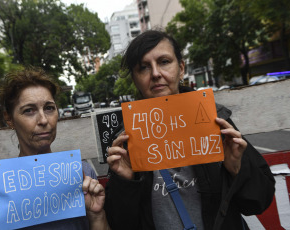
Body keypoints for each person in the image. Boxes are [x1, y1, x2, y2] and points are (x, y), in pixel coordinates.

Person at [104, 30, 275, 230]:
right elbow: (119, 224)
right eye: (143, 67)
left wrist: (237, 169)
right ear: (135, 79)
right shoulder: (125, 139)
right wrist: (125, 183)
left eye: (164, 61)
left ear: (181, 68)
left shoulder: (215, 121)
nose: (156, 73)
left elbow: (259, 201)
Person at [0, 68, 110, 230]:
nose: (43, 120)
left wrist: (97, 216)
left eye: (49, 108)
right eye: (29, 110)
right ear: (9, 118)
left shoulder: (83, 175)